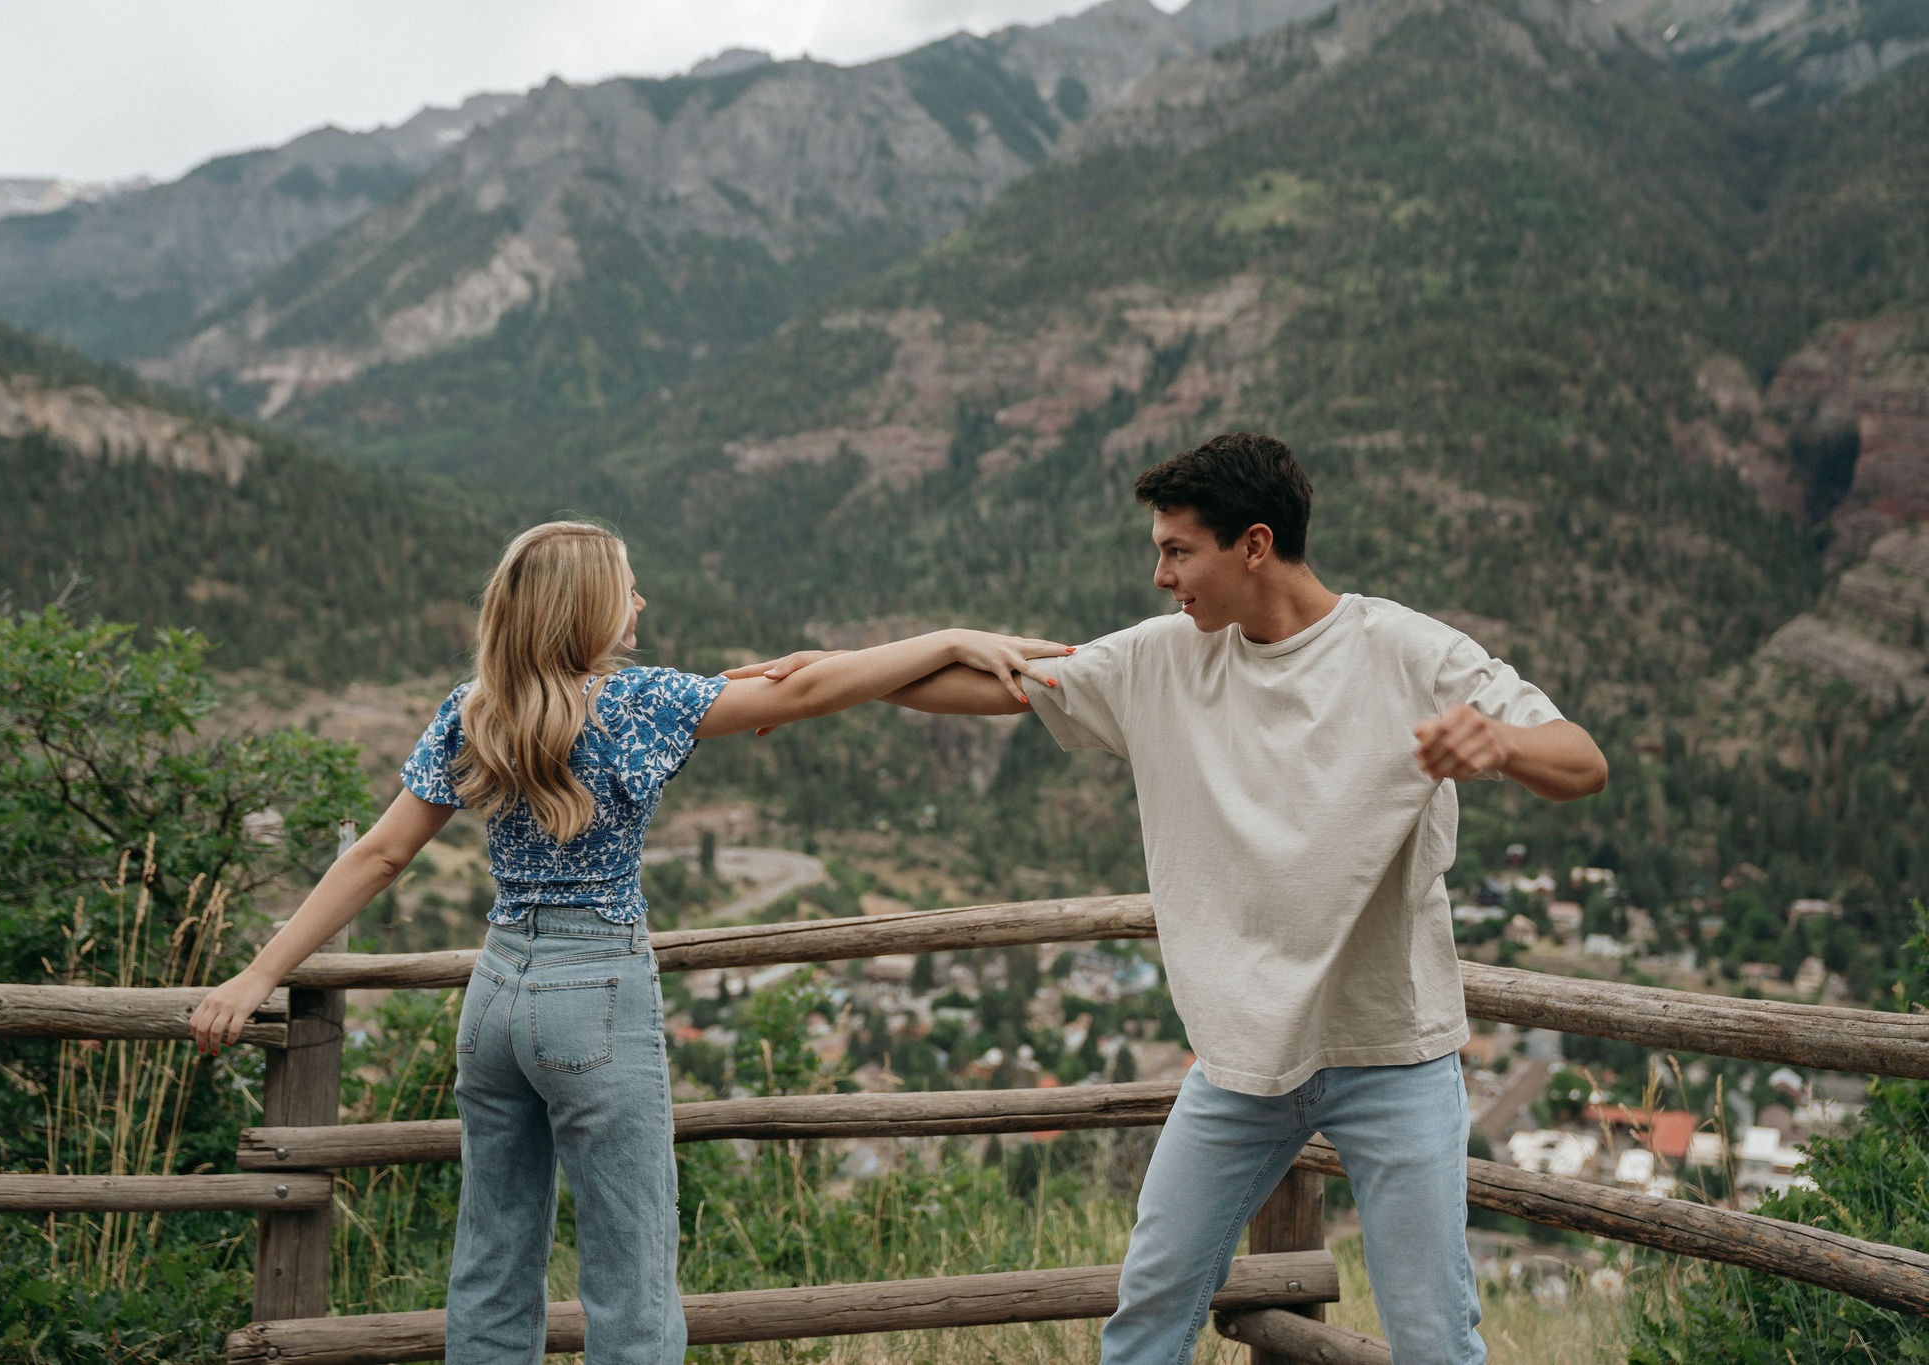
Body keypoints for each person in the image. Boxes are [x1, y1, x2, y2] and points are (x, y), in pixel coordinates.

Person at [740, 432, 1607, 1363]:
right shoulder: (1161, 660)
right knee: (1148, 1314)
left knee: (1436, 1339)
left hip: (1391, 1048)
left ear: (1256, 544)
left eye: (1177, 549)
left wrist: (1501, 745)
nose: (1161, 575)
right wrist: (850, 666)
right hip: (1239, 1063)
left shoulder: (1407, 650)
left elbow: (1582, 759)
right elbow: (985, 687)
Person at [189, 520, 1068, 1365]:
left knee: (492, 1260)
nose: (641, 601)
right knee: (631, 1272)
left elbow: (380, 854)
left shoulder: (473, 710)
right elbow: (807, 694)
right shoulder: (643, 703)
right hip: (595, 994)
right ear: (587, 612)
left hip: (494, 998)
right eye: (627, 588)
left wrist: (255, 973)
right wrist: (955, 633)